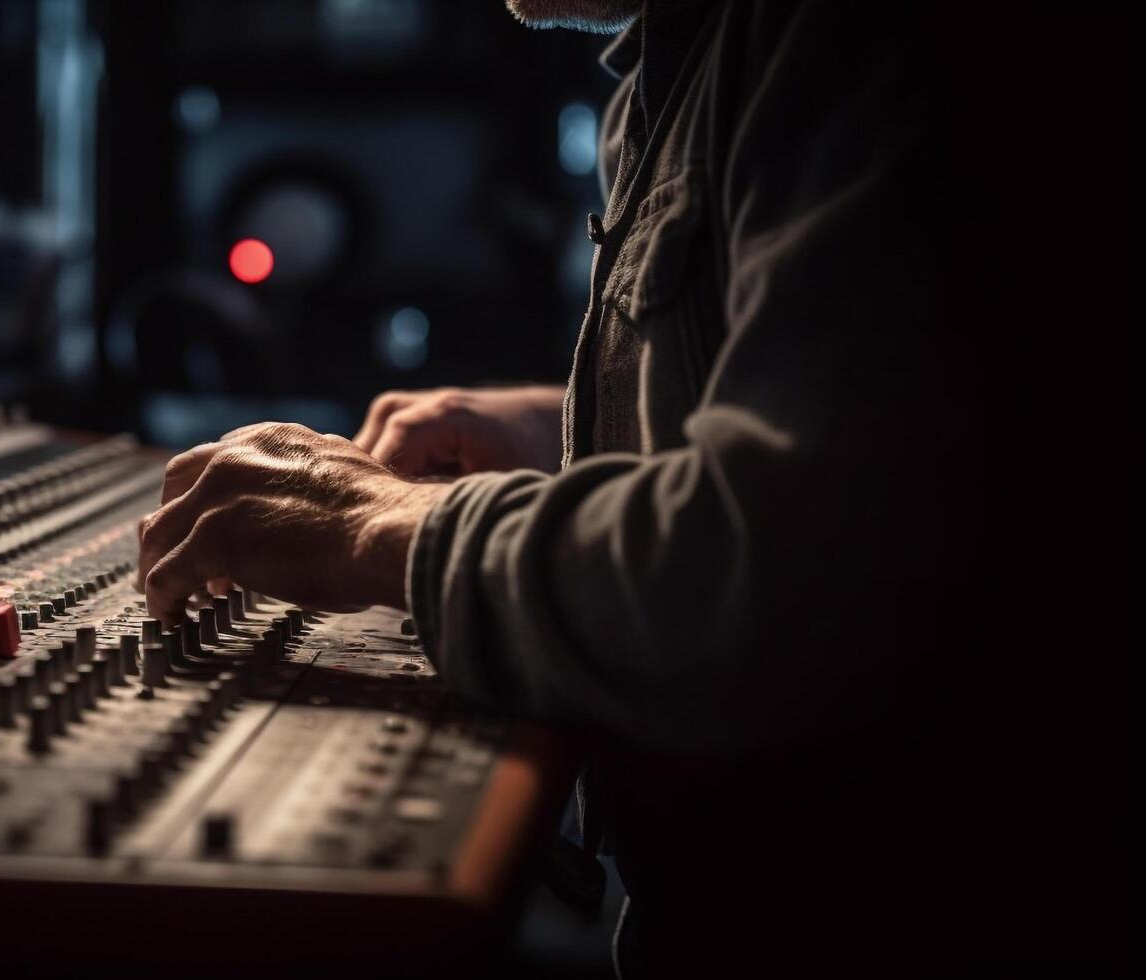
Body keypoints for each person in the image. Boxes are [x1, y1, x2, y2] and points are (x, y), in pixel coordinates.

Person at [139, 1, 1012, 973]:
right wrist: (574, 434)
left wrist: (384, 526)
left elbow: (783, 582)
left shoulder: (849, 36)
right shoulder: (676, 66)